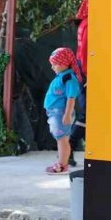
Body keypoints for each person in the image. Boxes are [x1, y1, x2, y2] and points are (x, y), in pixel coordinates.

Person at [45, 47, 83, 175]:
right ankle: (62, 163)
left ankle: (61, 165)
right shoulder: (62, 76)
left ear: (64, 63)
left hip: (60, 113)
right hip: (56, 113)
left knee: (62, 140)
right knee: (62, 139)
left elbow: (71, 98)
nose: (52, 67)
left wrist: (67, 115)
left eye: (55, 64)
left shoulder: (68, 78)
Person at [68, 0, 89, 167]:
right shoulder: (89, 25)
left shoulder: (83, 24)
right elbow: (86, 54)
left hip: (82, 72)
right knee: (86, 115)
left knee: (88, 115)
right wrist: (87, 76)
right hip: (86, 74)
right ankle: (69, 145)